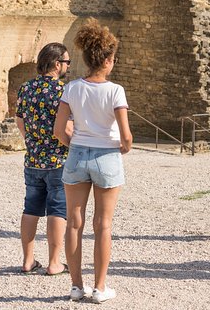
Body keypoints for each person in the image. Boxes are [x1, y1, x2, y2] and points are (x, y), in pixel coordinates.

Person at [54, 18, 132, 303]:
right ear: (109, 60)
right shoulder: (115, 91)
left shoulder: (72, 88)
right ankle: (100, 288)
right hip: (106, 156)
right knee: (103, 224)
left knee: (74, 223)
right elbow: (126, 135)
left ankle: (76, 286)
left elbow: (59, 130)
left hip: (77, 154)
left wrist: (74, 145)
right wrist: (123, 148)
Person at [15, 42, 72, 275]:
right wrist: (73, 147)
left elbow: (19, 121)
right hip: (57, 161)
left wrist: (32, 141)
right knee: (57, 211)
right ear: (57, 64)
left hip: (33, 160)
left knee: (30, 209)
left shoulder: (26, 88)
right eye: (67, 62)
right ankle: (54, 262)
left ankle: (28, 260)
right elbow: (65, 129)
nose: (68, 66)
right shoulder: (62, 91)